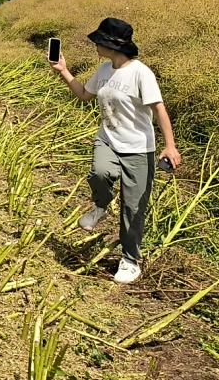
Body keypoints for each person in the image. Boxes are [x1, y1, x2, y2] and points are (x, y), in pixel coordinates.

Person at [50, 18, 182, 285]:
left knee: (133, 209)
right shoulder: (103, 70)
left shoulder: (140, 73)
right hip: (108, 140)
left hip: (139, 149)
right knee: (99, 173)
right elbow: (84, 96)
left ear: (112, 45)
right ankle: (100, 206)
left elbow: (159, 109)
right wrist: (62, 70)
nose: (95, 45)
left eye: (99, 41)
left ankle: (130, 260)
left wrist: (170, 146)